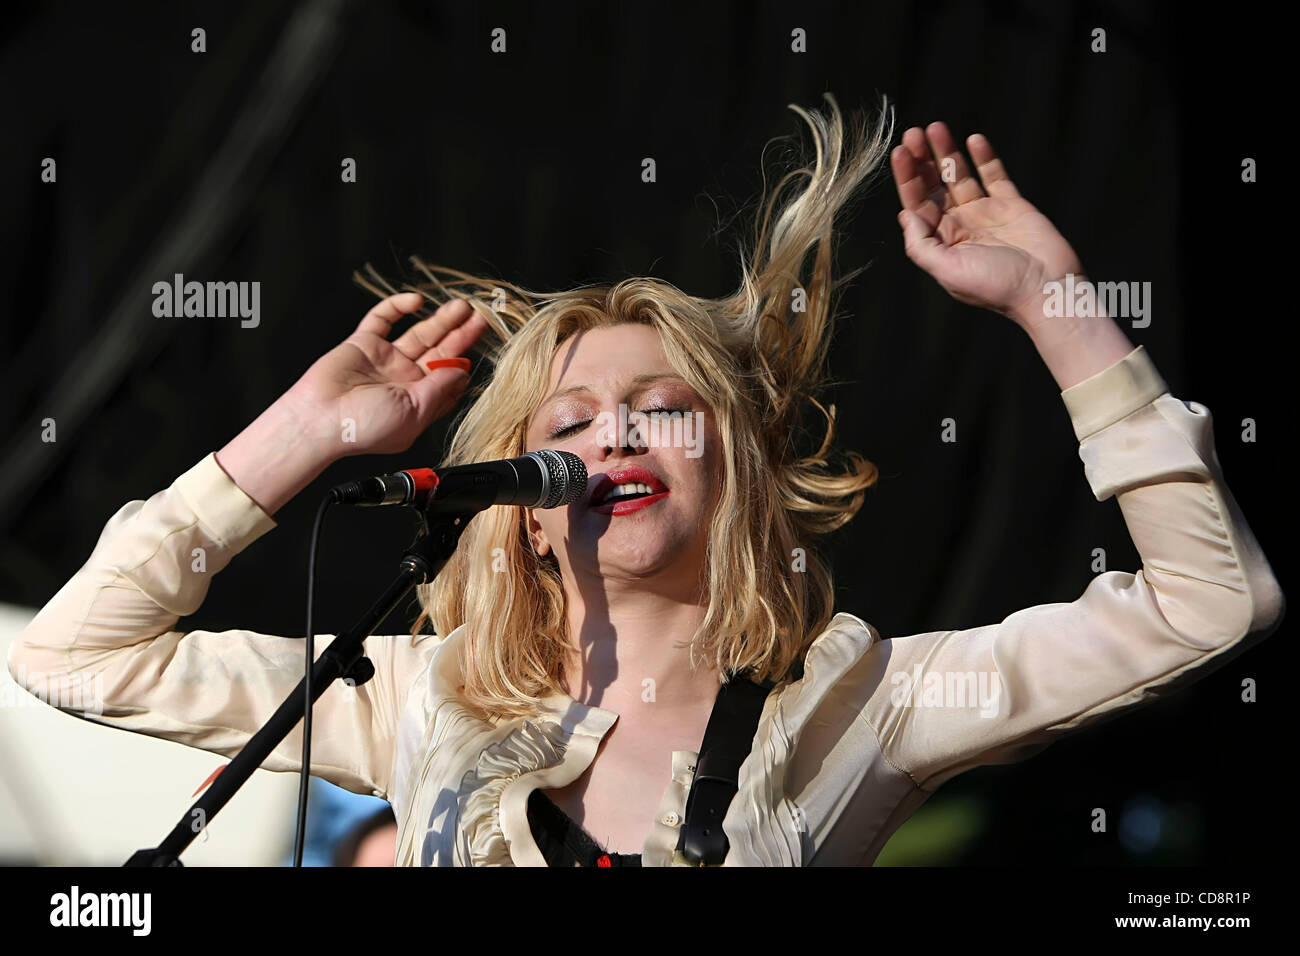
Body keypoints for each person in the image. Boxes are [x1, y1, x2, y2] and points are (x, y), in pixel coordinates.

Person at [7, 94, 1284, 866]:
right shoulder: (414, 694)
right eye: (572, 419)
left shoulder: (864, 699)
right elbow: (68, 655)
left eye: (663, 409)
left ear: (731, 472)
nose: (613, 435)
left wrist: (1055, 303)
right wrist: (302, 432)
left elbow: (1203, 607)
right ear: (520, 509)